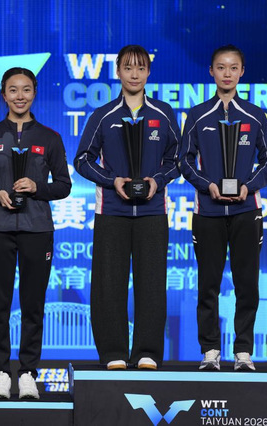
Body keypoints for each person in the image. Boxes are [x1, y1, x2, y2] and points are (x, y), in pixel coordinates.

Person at [74, 45, 180, 370]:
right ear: (118, 71)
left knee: (152, 283)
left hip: (152, 212)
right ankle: (113, 352)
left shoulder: (163, 113)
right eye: (128, 68)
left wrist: (157, 181)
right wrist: (112, 181)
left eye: (141, 68)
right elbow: (82, 160)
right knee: (109, 284)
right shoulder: (103, 115)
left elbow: (178, 159)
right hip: (112, 212)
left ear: (149, 72)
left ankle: (148, 351)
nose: (134, 75)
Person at [0, 67, 71, 399]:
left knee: (33, 305)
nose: (19, 96)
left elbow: (64, 185)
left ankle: (28, 372)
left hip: (36, 229)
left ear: (34, 93)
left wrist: (37, 187)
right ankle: (0, 372)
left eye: (26, 89)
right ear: (3, 95)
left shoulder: (49, 137)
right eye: (13, 90)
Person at [179, 45, 267, 371]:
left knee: (246, 284)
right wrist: (206, 185)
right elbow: (184, 161)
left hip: (246, 212)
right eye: (221, 67)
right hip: (208, 211)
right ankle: (210, 351)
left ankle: (243, 352)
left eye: (233, 67)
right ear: (211, 71)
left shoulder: (255, 115)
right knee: (207, 284)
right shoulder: (198, 115)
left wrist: (249, 186)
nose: (227, 73)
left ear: (242, 72)